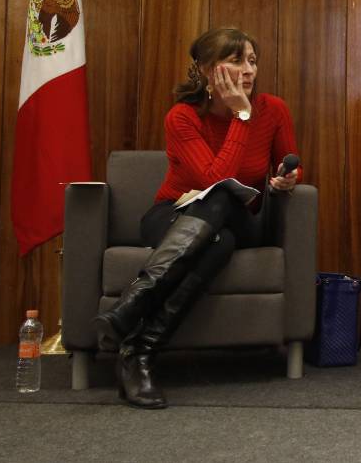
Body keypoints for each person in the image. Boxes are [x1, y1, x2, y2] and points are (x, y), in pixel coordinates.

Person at [93, 27, 300, 409]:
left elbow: (277, 165)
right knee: (219, 240)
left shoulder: (273, 110)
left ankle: (131, 306)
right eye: (236, 60)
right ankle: (140, 354)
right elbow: (212, 177)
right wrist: (241, 116)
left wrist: (288, 178)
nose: (249, 70)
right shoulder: (182, 117)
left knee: (222, 199)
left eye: (252, 61)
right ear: (207, 70)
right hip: (173, 214)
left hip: (241, 216)